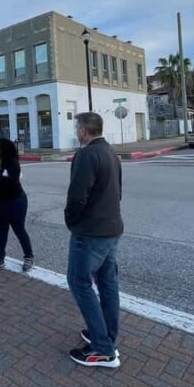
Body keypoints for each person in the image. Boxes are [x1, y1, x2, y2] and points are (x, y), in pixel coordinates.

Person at [65, 112, 123, 368]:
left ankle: (102, 349)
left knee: (79, 282)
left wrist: (72, 221)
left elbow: (77, 195)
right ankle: (107, 336)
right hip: (111, 228)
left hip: (90, 232)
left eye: (77, 128)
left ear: (84, 131)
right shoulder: (110, 151)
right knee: (107, 282)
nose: (76, 132)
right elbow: (117, 191)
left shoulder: (86, 154)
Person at [0, 138, 34, 273]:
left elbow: (12, 181)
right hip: (0, 200)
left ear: (3, 149)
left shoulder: (12, 162)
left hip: (16, 200)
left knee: (19, 229)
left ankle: (29, 256)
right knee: (1, 231)